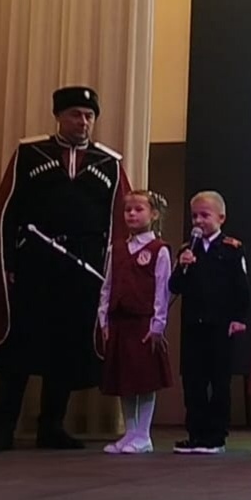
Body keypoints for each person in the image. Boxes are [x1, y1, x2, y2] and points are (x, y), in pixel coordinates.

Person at [0, 85, 131, 453]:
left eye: (89, 116)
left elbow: (119, 220)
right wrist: (7, 264)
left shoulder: (108, 163)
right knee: (17, 350)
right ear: (59, 116)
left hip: (83, 270)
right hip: (35, 267)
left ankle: (52, 427)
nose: (83, 122)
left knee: (67, 348)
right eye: (75, 115)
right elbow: (6, 213)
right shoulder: (30, 154)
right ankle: (2, 429)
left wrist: (112, 271)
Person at [168, 190, 249, 454]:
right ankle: (196, 433)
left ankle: (216, 435)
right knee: (193, 381)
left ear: (221, 217)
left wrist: (238, 318)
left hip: (220, 325)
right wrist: (182, 266)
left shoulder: (231, 248)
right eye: (194, 216)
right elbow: (174, 286)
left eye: (205, 215)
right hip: (193, 325)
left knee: (219, 381)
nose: (198, 221)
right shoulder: (187, 249)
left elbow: (241, 287)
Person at [98, 190, 173, 454]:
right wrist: (103, 318)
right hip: (119, 322)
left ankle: (143, 434)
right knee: (125, 380)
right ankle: (130, 432)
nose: (131, 214)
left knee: (144, 380)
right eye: (128, 210)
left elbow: (162, 289)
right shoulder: (116, 249)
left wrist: (158, 324)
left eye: (139, 209)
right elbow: (107, 286)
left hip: (143, 323)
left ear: (154, 215)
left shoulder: (159, 250)